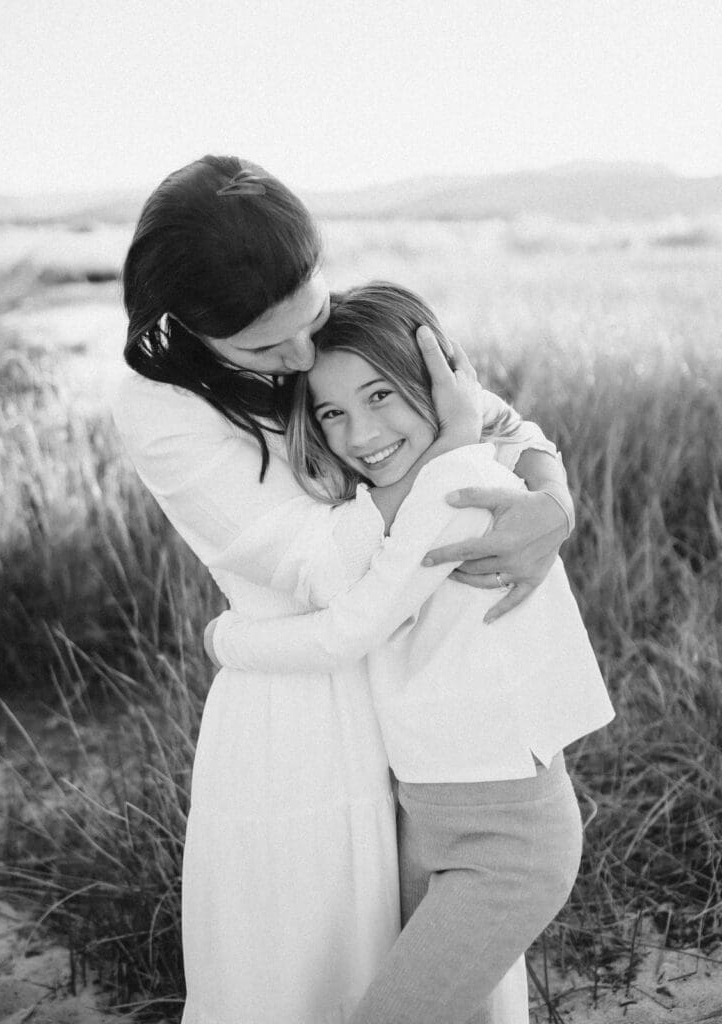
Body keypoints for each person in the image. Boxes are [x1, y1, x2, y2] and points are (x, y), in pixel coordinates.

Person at [114, 154, 577, 1024]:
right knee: (307, 975)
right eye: (263, 347)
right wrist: (451, 455)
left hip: (418, 712)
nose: (299, 358)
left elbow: (493, 417)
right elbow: (327, 568)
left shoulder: (333, 342)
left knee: (438, 980)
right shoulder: (159, 409)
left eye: (312, 316)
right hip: (300, 717)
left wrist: (553, 501)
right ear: (189, 326)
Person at [205, 282, 615, 1024]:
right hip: (433, 818)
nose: (360, 435)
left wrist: (228, 638)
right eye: (332, 412)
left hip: (506, 843)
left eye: (381, 396)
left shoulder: (452, 484)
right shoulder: (410, 484)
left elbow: (349, 630)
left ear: (440, 385)